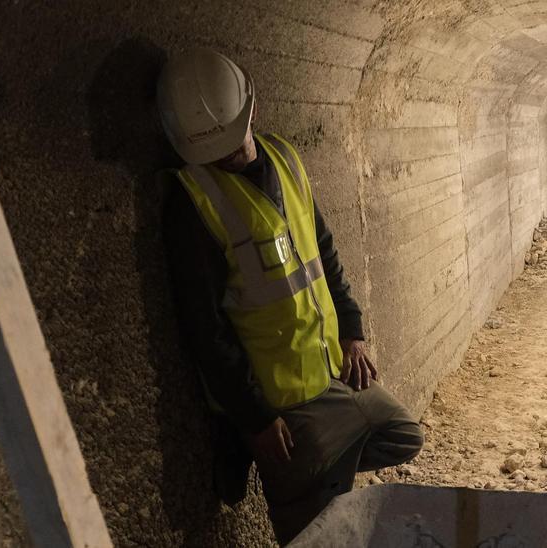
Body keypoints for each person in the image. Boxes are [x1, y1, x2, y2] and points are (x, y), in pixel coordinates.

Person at [157, 48, 423, 544]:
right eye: (210, 150)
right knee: (310, 538)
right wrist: (254, 418)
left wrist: (353, 331)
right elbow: (204, 328)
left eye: (230, 142)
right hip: (281, 404)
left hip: (329, 374)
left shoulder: (284, 158)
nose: (224, 156)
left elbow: (322, 251)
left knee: (405, 434)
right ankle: (287, 468)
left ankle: (321, 469)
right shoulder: (193, 204)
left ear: (251, 109)